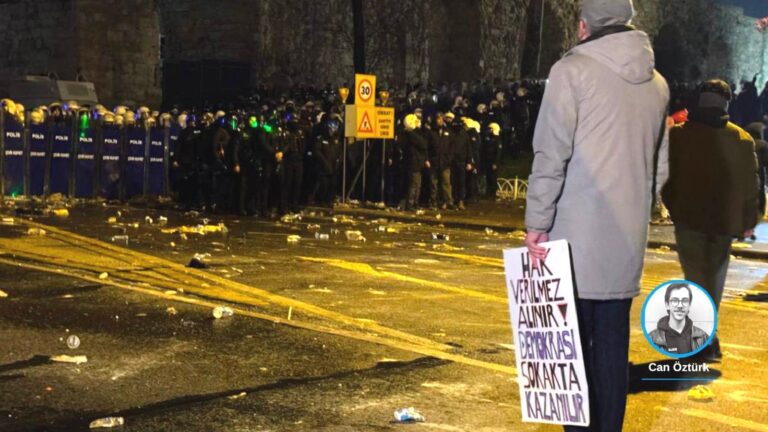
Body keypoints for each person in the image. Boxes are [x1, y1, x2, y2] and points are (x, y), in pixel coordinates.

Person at [524, 1, 670, 430]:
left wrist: (536, 223)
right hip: (626, 240)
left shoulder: (571, 71)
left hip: (573, 238)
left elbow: (551, 154)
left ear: (584, 25)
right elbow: (659, 166)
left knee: (571, 350)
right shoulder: (657, 83)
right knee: (611, 346)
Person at [662, 79, 760, 360]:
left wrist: (676, 206)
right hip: (722, 220)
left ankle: (701, 340)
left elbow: (668, 179)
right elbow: (749, 186)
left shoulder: (680, 136)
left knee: (694, 277)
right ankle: (706, 338)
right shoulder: (741, 138)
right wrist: (747, 218)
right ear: (727, 103)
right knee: (714, 280)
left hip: (689, 218)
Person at [648, 283, 709, 355]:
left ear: (689, 305)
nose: (680, 305)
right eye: (674, 300)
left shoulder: (703, 337)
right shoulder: (652, 339)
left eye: (685, 301)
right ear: (667, 305)